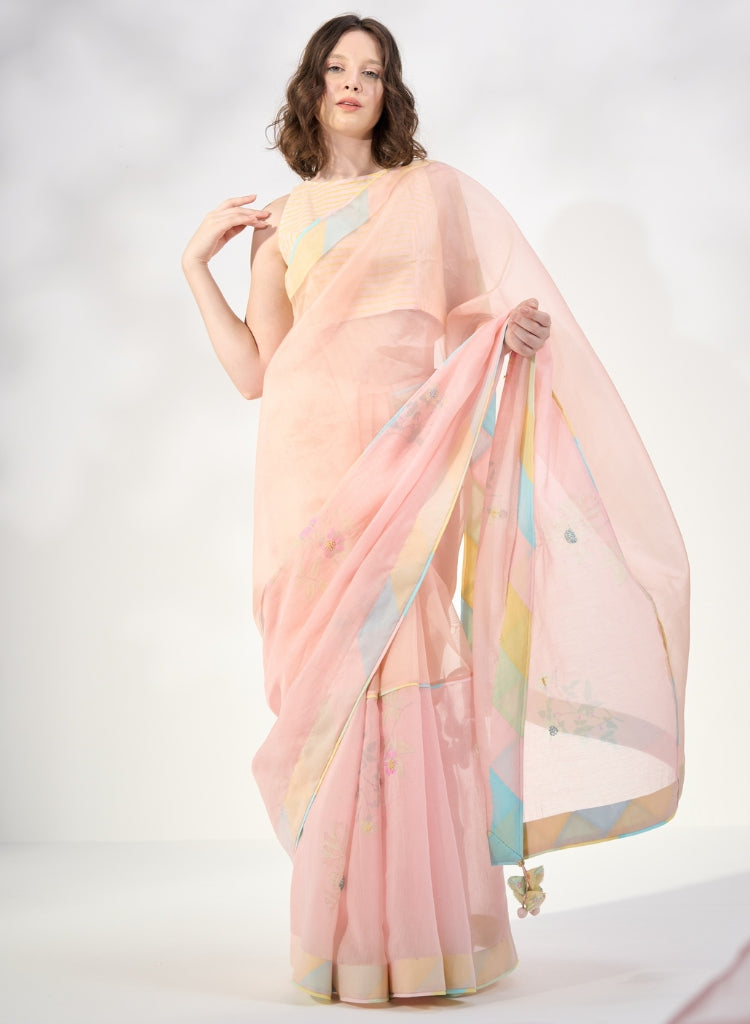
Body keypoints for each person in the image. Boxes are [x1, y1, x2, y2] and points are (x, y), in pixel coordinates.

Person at [182, 14, 690, 1005]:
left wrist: (514, 331)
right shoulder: (281, 224)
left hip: (408, 458)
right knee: (335, 684)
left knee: (409, 668)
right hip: (307, 470)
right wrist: (194, 266)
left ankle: (420, 939)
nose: (352, 83)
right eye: (337, 67)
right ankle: (343, 942)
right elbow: (255, 370)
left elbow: (478, 315)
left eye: (371, 70)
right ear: (311, 86)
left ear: (390, 91)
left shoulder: (429, 194)